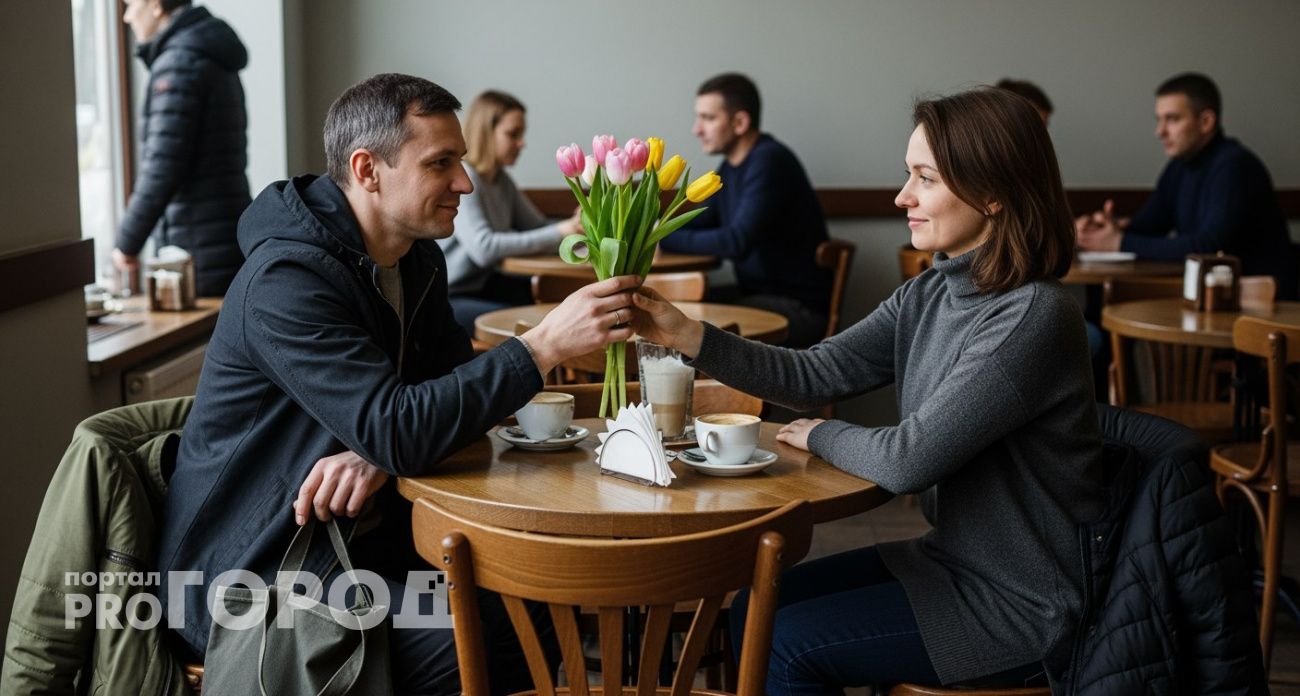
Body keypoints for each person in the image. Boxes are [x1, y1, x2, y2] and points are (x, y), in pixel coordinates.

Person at [158, 74, 639, 695]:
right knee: (475, 638)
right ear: (367, 169)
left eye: (462, 161)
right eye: (441, 163)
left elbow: (438, 404)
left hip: (359, 544)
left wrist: (377, 452)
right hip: (256, 573)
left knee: (541, 601)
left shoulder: (416, 259)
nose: (464, 183)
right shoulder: (283, 283)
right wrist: (542, 345)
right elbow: (405, 424)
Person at [631, 88, 1102, 692]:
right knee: (753, 608)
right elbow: (813, 375)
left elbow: (909, 460)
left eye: (924, 178)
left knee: (787, 647)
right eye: (909, 175)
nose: (901, 197)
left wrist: (825, 432)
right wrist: (691, 335)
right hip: (951, 561)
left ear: (994, 193)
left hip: (1021, 605)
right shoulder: (928, 294)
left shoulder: (1033, 315)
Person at [1076, 72, 1296, 298]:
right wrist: (1105, 228)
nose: (1160, 131)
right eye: (1159, 120)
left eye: (1172, 119)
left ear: (1206, 122)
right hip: (1214, 300)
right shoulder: (1179, 166)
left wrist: (1120, 242)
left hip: (1261, 306)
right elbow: (1150, 224)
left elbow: (1210, 247)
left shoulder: (1234, 166)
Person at [658, 72, 832, 347]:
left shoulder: (770, 161)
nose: (697, 129)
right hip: (756, 296)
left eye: (708, 118)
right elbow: (702, 220)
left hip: (796, 307)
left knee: (682, 318)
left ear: (740, 122)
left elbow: (735, 241)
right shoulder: (731, 167)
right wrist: (649, 227)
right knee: (673, 308)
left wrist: (659, 236)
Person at [114, 0, 251, 296]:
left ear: (154, 5)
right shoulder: (208, 52)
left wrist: (126, 244)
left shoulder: (179, 64)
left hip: (198, 250)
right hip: (226, 236)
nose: (126, 17)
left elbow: (162, 167)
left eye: (130, 4)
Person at [439, 90, 582, 333]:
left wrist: (583, 239)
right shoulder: (465, 178)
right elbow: (483, 248)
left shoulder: (501, 181)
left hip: (485, 284)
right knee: (537, 319)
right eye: (513, 134)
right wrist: (562, 230)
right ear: (486, 133)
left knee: (562, 303)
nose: (522, 143)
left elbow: (538, 227)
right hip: (449, 296)